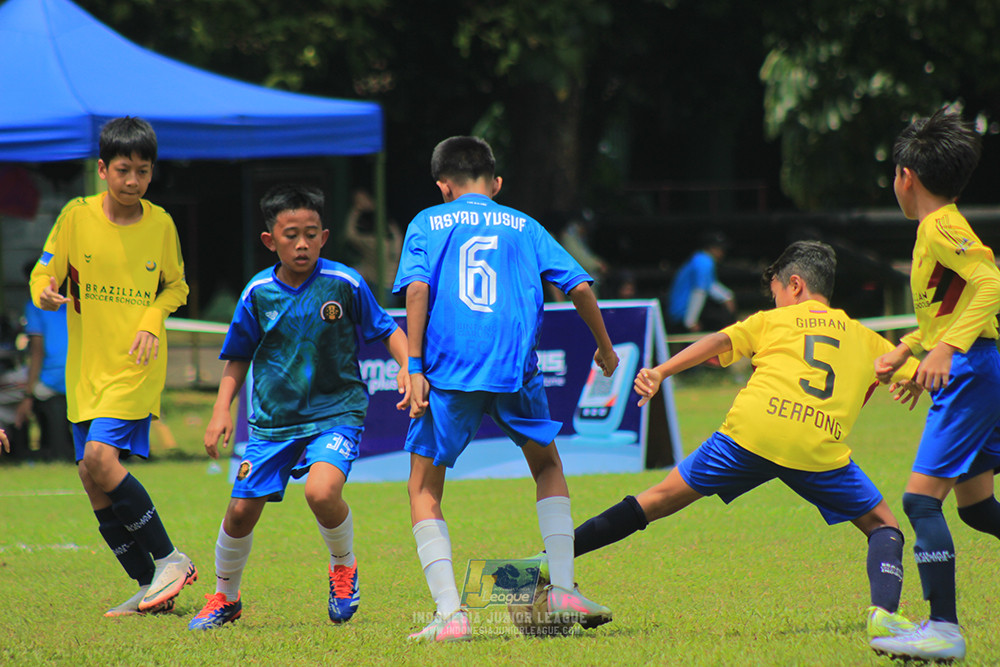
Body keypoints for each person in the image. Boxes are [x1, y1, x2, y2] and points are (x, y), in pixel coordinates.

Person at [568, 241, 926, 652]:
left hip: (752, 431)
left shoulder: (772, 322)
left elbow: (718, 343)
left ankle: (554, 557)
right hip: (816, 445)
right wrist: (914, 376)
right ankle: (883, 616)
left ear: (795, 285)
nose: (774, 303)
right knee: (884, 526)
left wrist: (662, 371)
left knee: (657, 498)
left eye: (775, 294)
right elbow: (922, 372)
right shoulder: (867, 337)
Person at [394, 136, 620, 642]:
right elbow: (580, 285)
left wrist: (413, 364)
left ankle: (451, 615)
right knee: (547, 465)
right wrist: (603, 348)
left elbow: (416, 288)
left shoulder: (428, 221)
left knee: (423, 487)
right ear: (496, 184)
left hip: (451, 371)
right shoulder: (526, 224)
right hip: (516, 368)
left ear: (442, 186)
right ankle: (562, 586)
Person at [188, 184, 409, 630]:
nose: (302, 243)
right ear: (271, 240)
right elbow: (237, 357)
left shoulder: (345, 282)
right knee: (239, 512)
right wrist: (220, 411)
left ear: (325, 236)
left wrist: (409, 367)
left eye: (311, 233)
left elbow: (388, 328)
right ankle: (225, 598)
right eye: (291, 234)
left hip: (336, 413)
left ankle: (343, 568)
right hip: (272, 425)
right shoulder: (256, 293)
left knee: (321, 491)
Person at [29, 116, 196, 617]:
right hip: (87, 370)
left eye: (143, 171)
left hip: (136, 365)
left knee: (102, 460)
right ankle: (150, 586)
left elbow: (177, 286)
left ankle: (171, 559)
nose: (133, 181)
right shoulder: (76, 217)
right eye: (123, 170)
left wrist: (150, 320)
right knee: (89, 474)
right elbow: (44, 269)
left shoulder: (161, 223)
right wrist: (43, 288)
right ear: (102, 169)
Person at [869, 109, 1000, 663]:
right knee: (974, 506)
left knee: (920, 502)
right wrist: (913, 347)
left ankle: (943, 629)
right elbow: (953, 305)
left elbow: (989, 279)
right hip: (981, 366)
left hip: (974, 370)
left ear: (906, 176)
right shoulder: (940, 227)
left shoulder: (938, 226)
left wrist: (947, 350)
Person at [15, 262, 74, 463]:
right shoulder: (77, 302)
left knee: (28, 397)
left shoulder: (34, 306)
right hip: (81, 377)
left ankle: (35, 451)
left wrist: (28, 394)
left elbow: (37, 351)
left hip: (53, 380)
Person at [666, 230, 736, 333]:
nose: (722, 252)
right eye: (720, 248)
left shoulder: (701, 259)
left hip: (685, 312)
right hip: (682, 313)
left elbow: (710, 286)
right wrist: (691, 321)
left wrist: (728, 297)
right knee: (721, 319)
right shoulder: (703, 262)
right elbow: (699, 291)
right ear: (711, 248)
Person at [343, 188, 403, 306]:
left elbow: (350, 234)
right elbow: (394, 229)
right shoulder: (395, 240)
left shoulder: (373, 242)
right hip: (391, 289)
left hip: (380, 290)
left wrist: (357, 210)